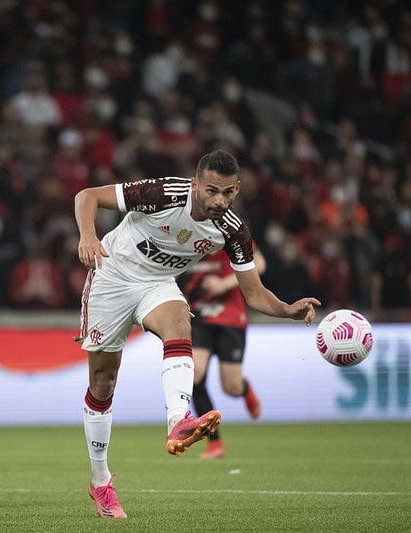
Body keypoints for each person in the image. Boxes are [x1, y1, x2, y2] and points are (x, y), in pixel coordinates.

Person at [74, 149, 320, 518]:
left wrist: (286, 309)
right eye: (211, 191)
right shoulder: (164, 193)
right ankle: (100, 481)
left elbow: (253, 293)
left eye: (227, 193)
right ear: (195, 184)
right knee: (103, 383)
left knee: (179, 322)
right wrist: (88, 236)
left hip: (157, 284)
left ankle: (178, 421)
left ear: (237, 189)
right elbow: (87, 196)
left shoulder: (233, 230)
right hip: (112, 273)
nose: (219, 200)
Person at [180, 246, 266, 459]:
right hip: (199, 318)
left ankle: (244, 390)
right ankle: (214, 442)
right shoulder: (184, 236)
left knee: (231, 387)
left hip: (231, 319)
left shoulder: (227, 233)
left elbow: (260, 263)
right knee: (194, 377)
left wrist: (224, 283)